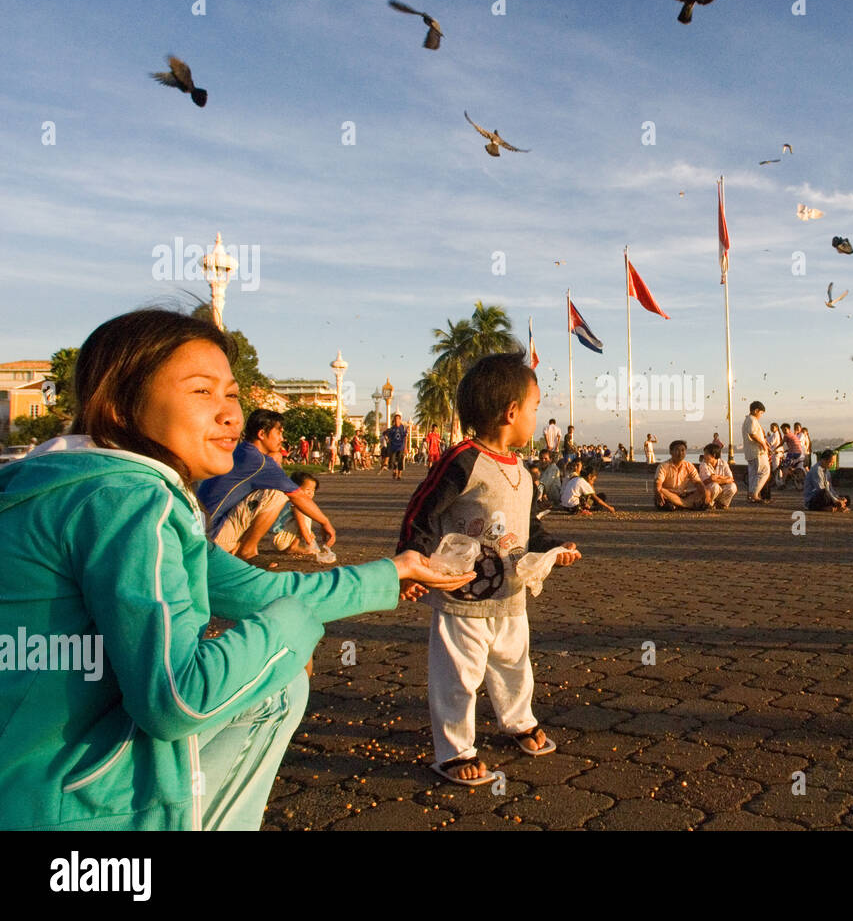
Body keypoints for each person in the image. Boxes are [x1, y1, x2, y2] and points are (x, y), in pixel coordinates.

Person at [0, 309, 472, 831]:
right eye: (202, 392)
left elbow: (255, 587)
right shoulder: (131, 499)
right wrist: (291, 632)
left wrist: (392, 572)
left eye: (231, 395)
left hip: (23, 774)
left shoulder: (56, 483)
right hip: (53, 808)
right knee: (276, 682)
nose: (230, 415)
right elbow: (177, 701)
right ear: (118, 408)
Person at [396, 351, 580, 787]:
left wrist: (555, 548)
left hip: (511, 595)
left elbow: (530, 526)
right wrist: (411, 561)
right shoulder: (463, 459)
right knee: (458, 677)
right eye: (535, 408)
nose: (538, 416)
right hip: (462, 595)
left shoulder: (522, 469)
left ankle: (518, 721)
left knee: (515, 665)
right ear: (511, 412)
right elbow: (422, 509)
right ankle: (455, 750)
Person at [199, 409, 338, 561]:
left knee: (268, 491)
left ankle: (240, 548)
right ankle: (247, 552)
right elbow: (297, 495)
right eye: (279, 433)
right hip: (213, 538)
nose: (282, 438)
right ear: (262, 434)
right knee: (277, 494)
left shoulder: (242, 451)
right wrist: (325, 522)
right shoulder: (259, 462)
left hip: (202, 532)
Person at [269, 471, 324, 555]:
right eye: (307, 490)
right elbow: (302, 525)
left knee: (305, 515)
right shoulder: (296, 505)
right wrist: (309, 540)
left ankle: (292, 546)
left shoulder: (286, 501)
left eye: (313, 490)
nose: (311, 493)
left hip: (277, 538)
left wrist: (309, 533)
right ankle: (293, 547)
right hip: (280, 539)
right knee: (306, 514)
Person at [654, 440, 709, 509]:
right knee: (660, 490)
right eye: (677, 450)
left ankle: (680, 504)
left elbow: (697, 482)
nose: (680, 453)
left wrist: (704, 492)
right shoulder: (663, 466)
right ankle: (687, 505)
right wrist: (658, 492)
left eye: (683, 450)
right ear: (671, 452)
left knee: (706, 491)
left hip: (684, 495)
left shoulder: (689, 466)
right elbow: (658, 483)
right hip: (669, 495)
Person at [743, 402, 771, 504]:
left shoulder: (747, 420)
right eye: (761, 413)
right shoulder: (752, 420)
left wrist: (764, 442)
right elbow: (753, 434)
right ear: (756, 411)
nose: (761, 415)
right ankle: (754, 494)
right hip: (757, 451)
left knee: (754, 474)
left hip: (750, 452)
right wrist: (763, 444)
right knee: (764, 471)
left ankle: (751, 494)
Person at [698, 443, 738, 509]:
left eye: (706, 454)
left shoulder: (723, 463)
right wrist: (725, 479)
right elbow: (707, 480)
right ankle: (709, 503)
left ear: (713, 455)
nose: (704, 456)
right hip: (708, 489)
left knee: (732, 486)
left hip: (720, 488)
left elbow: (731, 479)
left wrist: (718, 477)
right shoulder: (703, 464)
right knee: (715, 486)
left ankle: (722, 503)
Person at [384, 414, 409, 480]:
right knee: (393, 461)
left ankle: (399, 474)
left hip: (401, 447)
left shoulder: (403, 428)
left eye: (398, 419)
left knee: (400, 461)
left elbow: (405, 437)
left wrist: (406, 447)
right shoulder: (392, 429)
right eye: (395, 419)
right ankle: (394, 471)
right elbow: (389, 437)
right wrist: (387, 440)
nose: (396, 421)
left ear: (400, 420)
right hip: (393, 447)